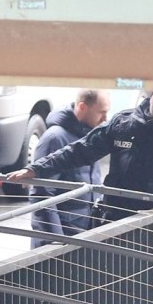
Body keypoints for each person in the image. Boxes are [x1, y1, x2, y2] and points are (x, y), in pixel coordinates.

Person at [9, 89, 153, 222]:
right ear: (148, 96)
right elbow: (79, 150)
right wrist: (36, 168)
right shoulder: (123, 124)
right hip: (111, 222)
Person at [29, 89, 111, 247]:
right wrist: (56, 243)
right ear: (82, 107)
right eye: (101, 112)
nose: (105, 118)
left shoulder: (91, 137)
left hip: (83, 235)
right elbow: (42, 194)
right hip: (62, 240)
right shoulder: (55, 138)